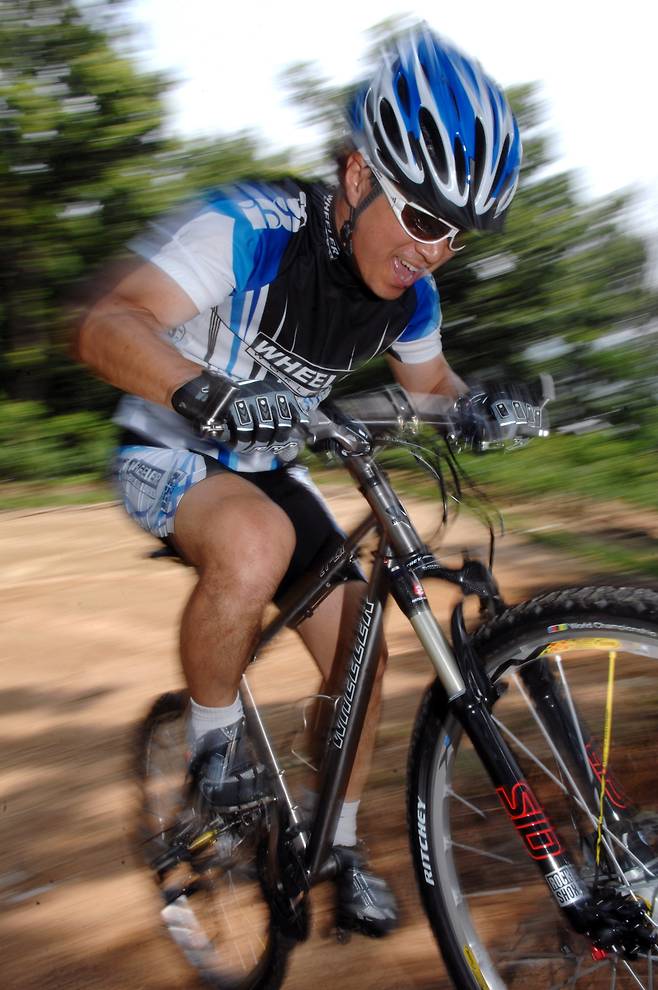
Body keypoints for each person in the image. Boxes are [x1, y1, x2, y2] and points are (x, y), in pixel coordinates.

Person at [74, 25, 522, 937]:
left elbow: (430, 385)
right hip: (169, 443)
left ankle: (340, 841)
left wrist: (478, 407)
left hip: (265, 463)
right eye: (427, 219)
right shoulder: (250, 229)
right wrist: (201, 387)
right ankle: (210, 754)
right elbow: (108, 326)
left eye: (459, 233)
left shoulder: (412, 296)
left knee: (367, 646)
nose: (438, 250)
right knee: (255, 540)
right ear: (358, 177)